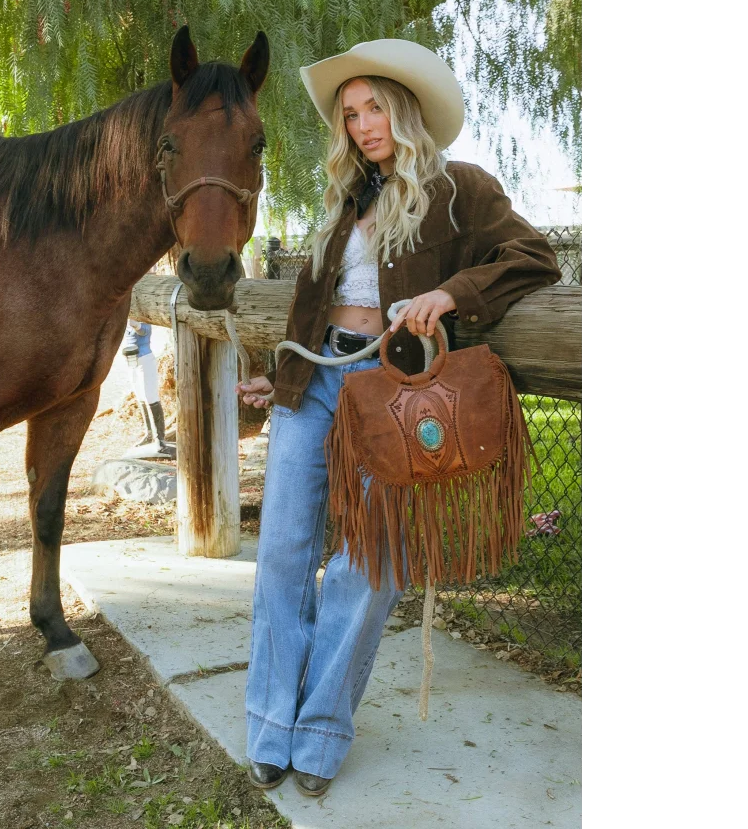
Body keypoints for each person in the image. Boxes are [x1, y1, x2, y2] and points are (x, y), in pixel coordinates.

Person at [234, 39, 561, 797]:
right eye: (349, 114)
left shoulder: (459, 189)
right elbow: (309, 307)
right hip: (316, 384)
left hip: (392, 392)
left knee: (370, 563)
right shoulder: (344, 198)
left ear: (404, 107)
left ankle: (318, 730)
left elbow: (533, 257)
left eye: (374, 105)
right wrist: (279, 381)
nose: (361, 124)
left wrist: (450, 296)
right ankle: (270, 725)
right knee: (283, 549)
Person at [121, 319, 175, 460]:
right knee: (140, 396)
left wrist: (134, 324)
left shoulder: (141, 317)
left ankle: (160, 439)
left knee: (150, 396)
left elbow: (145, 331)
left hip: (145, 359)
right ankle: (149, 433)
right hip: (131, 360)